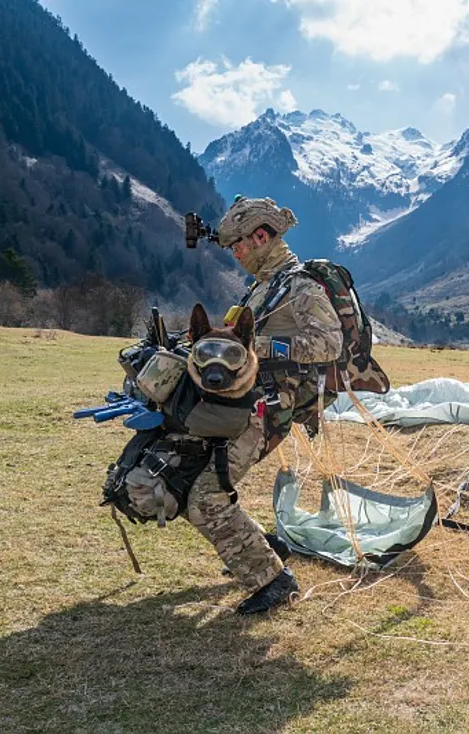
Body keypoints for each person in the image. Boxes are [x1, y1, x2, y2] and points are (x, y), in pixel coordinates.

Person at [186, 196, 343, 615]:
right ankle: (262, 547)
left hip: (271, 406)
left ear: (261, 237)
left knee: (205, 495)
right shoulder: (262, 288)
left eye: (238, 244)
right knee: (194, 476)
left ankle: (273, 580)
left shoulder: (300, 286)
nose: (235, 254)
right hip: (241, 401)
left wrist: (264, 346)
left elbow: (329, 343)